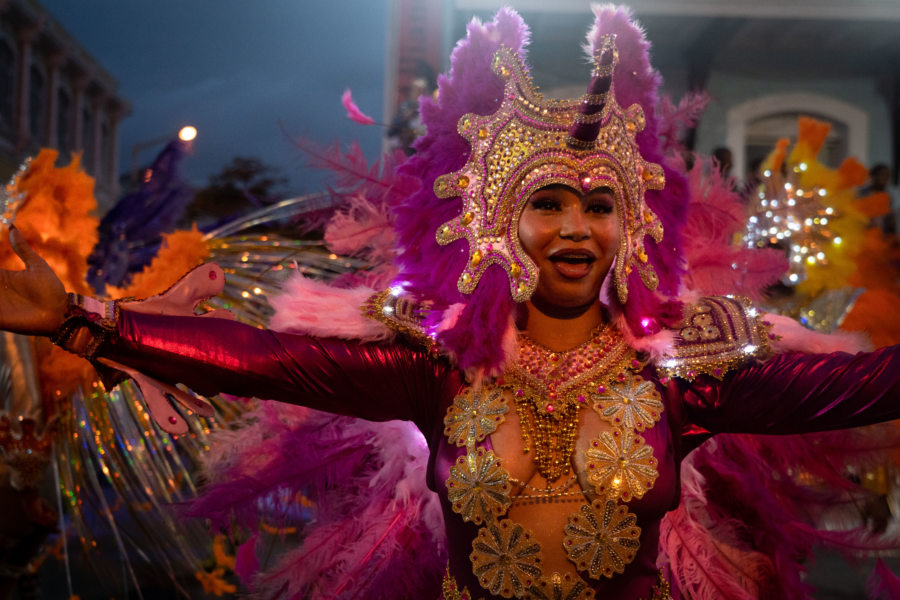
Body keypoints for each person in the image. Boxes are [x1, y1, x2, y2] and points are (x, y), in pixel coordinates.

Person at [0, 6, 898, 600]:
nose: (575, 227)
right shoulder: (438, 371)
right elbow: (260, 358)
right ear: (501, 225)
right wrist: (83, 319)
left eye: (600, 204)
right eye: (548, 202)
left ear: (632, 229)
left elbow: (864, 389)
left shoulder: (689, 380)